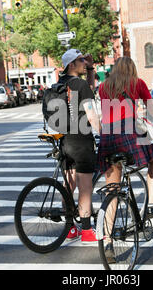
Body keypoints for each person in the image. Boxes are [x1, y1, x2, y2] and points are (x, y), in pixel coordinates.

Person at [97, 57, 153, 218]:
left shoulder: (103, 87)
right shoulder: (137, 83)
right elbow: (152, 109)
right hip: (128, 133)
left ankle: (107, 238)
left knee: (112, 189)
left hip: (108, 136)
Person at [58, 49, 101, 243]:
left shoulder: (59, 84)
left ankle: (69, 228)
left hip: (65, 140)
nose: (84, 62)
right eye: (81, 60)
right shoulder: (80, 85)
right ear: (71, 64)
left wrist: (91, 67)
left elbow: (88, 91)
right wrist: (102, 134)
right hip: (82, 141)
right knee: (85, 187)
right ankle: (86, 230)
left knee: (69, 186)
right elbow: (91, 114)